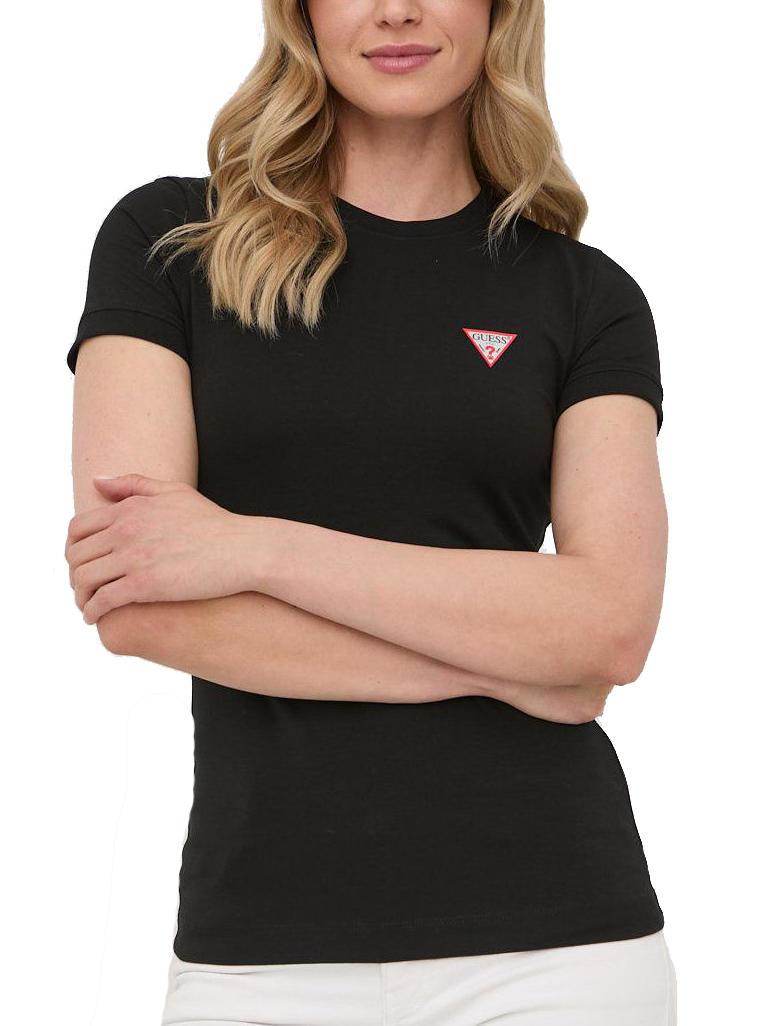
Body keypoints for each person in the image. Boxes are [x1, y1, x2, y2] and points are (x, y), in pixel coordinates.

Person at [64, 1, 677, 1023]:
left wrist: (252, 548)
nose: (395, 8)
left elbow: (609, 626)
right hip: (258, 950)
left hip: (561, 947)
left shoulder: (585, 294)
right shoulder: (171, 242)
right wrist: (513, 666)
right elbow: (139, 599)